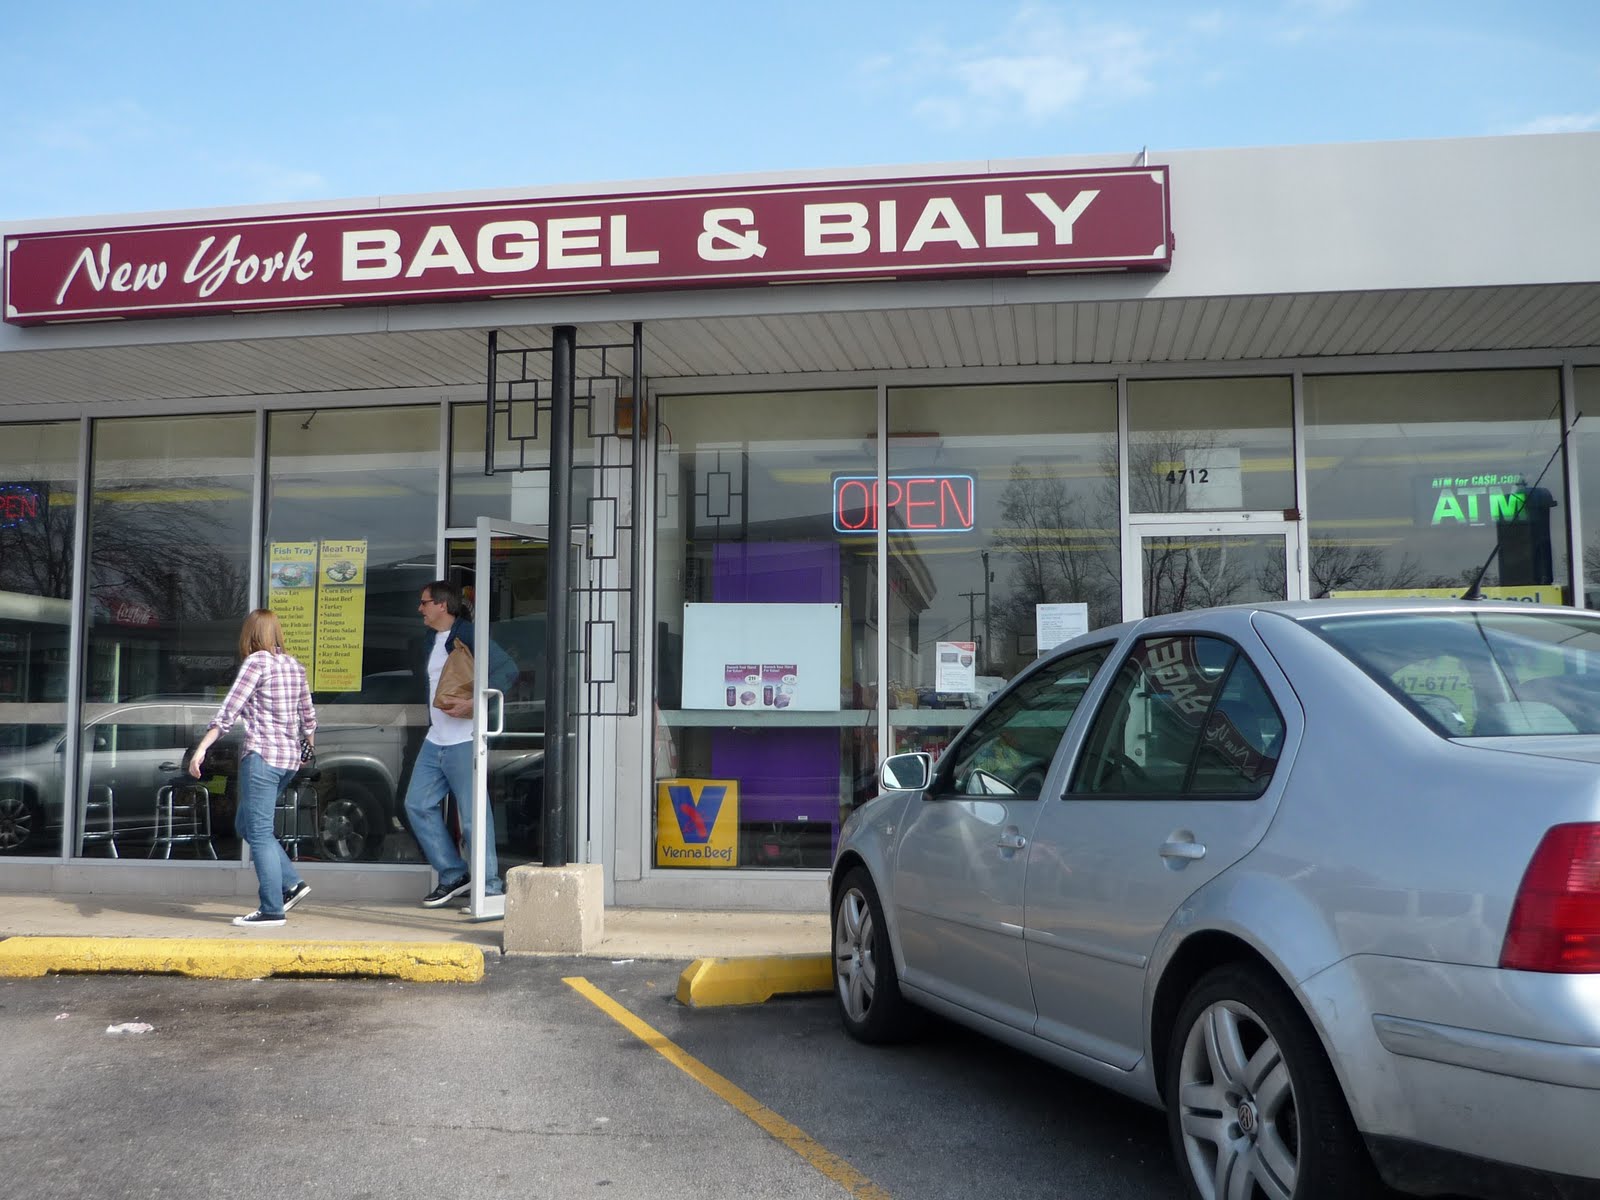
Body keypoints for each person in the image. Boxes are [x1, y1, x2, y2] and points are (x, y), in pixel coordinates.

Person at [189, 609, 317, 928]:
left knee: (258, 832)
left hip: (262, 758)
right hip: (288, 761)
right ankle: (292, 883)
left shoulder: (256, 663)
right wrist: (308, 750)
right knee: (246, 824)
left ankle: (272, 908)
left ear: (251, 634)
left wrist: (202, 748)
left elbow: (229, 711)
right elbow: (309, 718)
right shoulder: (294, 665)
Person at [405, 579, 517, 908]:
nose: (420, 609)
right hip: (435, 739)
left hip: (465, 739)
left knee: (473, 817)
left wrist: (475, 703)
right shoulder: (429, 639)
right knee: (416, 804)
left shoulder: (467, 633)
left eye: (425, 602)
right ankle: (454, 873)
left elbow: (507, 669)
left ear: (442, 605)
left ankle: (489, 888)